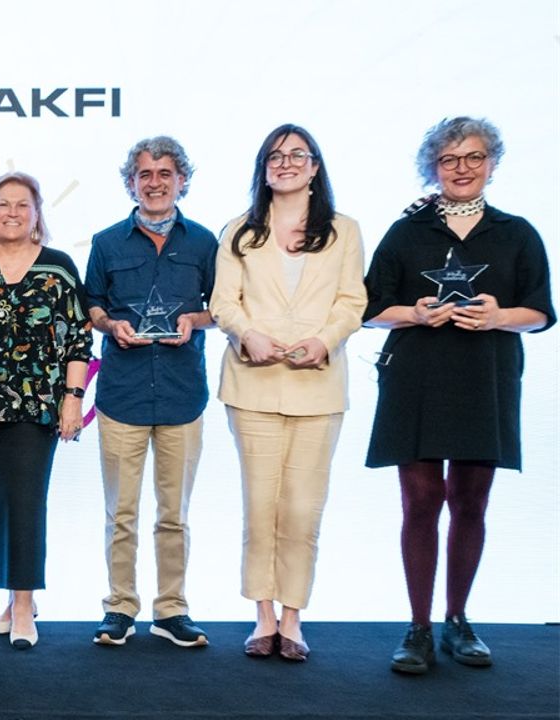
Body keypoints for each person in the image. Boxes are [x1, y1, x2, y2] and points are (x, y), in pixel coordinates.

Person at [362, 117, 555, 675]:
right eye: (449, 159)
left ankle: (457, 620)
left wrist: (499, 317)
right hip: (415, 378)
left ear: (492, 163)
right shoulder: (405, 232)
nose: (462, 168)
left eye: (474, 157)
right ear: (433, 168)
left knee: (471, 502)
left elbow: (540, 312)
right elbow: (370, 310)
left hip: (485, 378)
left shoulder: (517, 233)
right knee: (421, 502)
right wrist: (415, 312)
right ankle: (418, 628)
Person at [210, 124, 366, 662]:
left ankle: (293, 617)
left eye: (298, 155)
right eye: (275, 156)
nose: (286, 163)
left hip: (318, 387)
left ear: (315, 167)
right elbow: (223, 302)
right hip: (253, 384)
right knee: (261, 506)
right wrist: (246, 333)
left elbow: (352, 302)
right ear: (263, 168)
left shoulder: (344, 231)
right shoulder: (240, 231)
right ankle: (263, 616)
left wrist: (325, 341)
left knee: (302, 508)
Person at [84, 137, 216, 648]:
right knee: (121, 514)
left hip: (183, 395)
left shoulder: (203, 242)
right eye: (145, 174)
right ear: (131, 183)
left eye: (165, 173)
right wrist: (110, 324)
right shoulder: (106, 243)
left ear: (182, 180)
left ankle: (171, 610)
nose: (155, 183)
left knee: (173, 514)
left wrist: (194, 320)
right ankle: (119, 607)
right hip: (123, 395)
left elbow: (223, 308)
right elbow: (93, 305)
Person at [0, 172, 92, 650]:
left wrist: (73, 398)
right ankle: (14, 601)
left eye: (22, 205)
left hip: (38, 405)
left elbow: (78, 338)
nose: (12, 213)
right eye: (3, 204)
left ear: (36, 215)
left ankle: (23, 605)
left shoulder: (58, 267)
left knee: (27, 501)